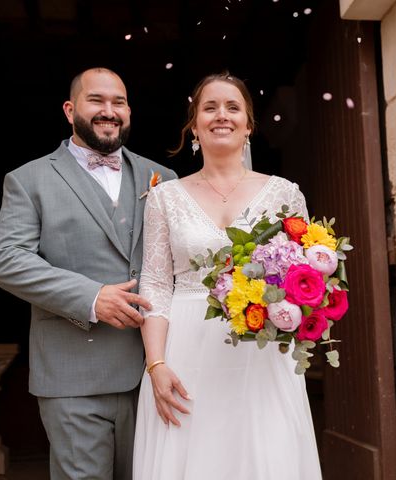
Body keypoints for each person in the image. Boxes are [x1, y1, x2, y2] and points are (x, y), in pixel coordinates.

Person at [0, 67, 176, 480]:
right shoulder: (28, 180)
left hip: (156, 374)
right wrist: (92, 297)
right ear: (70, 109)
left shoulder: (165, 179)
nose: (109, 111)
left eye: (119, 102)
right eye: (97, 101)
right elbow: (8, 260)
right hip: (73, 374)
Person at [133, 73, 322, 479]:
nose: (222, 115)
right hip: (185, 349)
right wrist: (157, 364)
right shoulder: (165, 197)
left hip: (261, 351)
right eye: (210, 107)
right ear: (194, 125)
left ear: (249, 125)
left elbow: (308, 281)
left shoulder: (285, 193)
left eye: (233, 107)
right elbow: (155, 285)